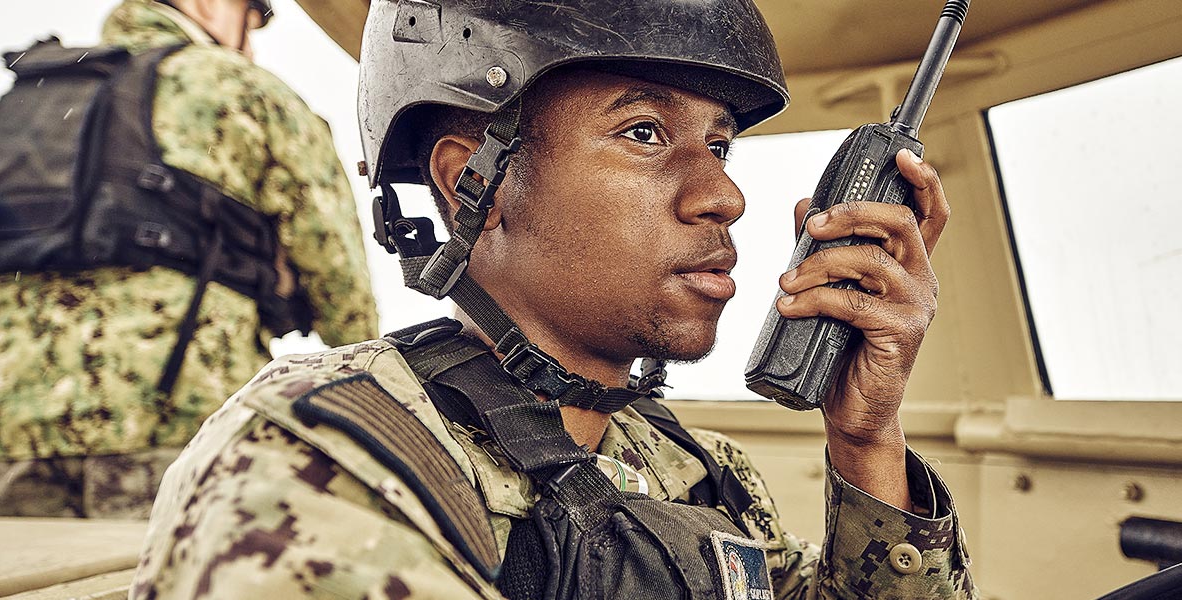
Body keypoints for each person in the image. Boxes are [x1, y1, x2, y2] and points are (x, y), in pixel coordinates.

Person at [131, 0, 976, 598]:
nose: (723, 195)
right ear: (473, 183)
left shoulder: (699, 473)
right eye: (644, 133)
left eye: (719, 144)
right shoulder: (322, 462)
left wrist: (866, 442)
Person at [0, 0, 378, 519]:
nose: (252, 40)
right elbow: (340, 284)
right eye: (254, 17)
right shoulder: (241, 89)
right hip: (177, 432)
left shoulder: (27, 100)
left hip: (13, 440)